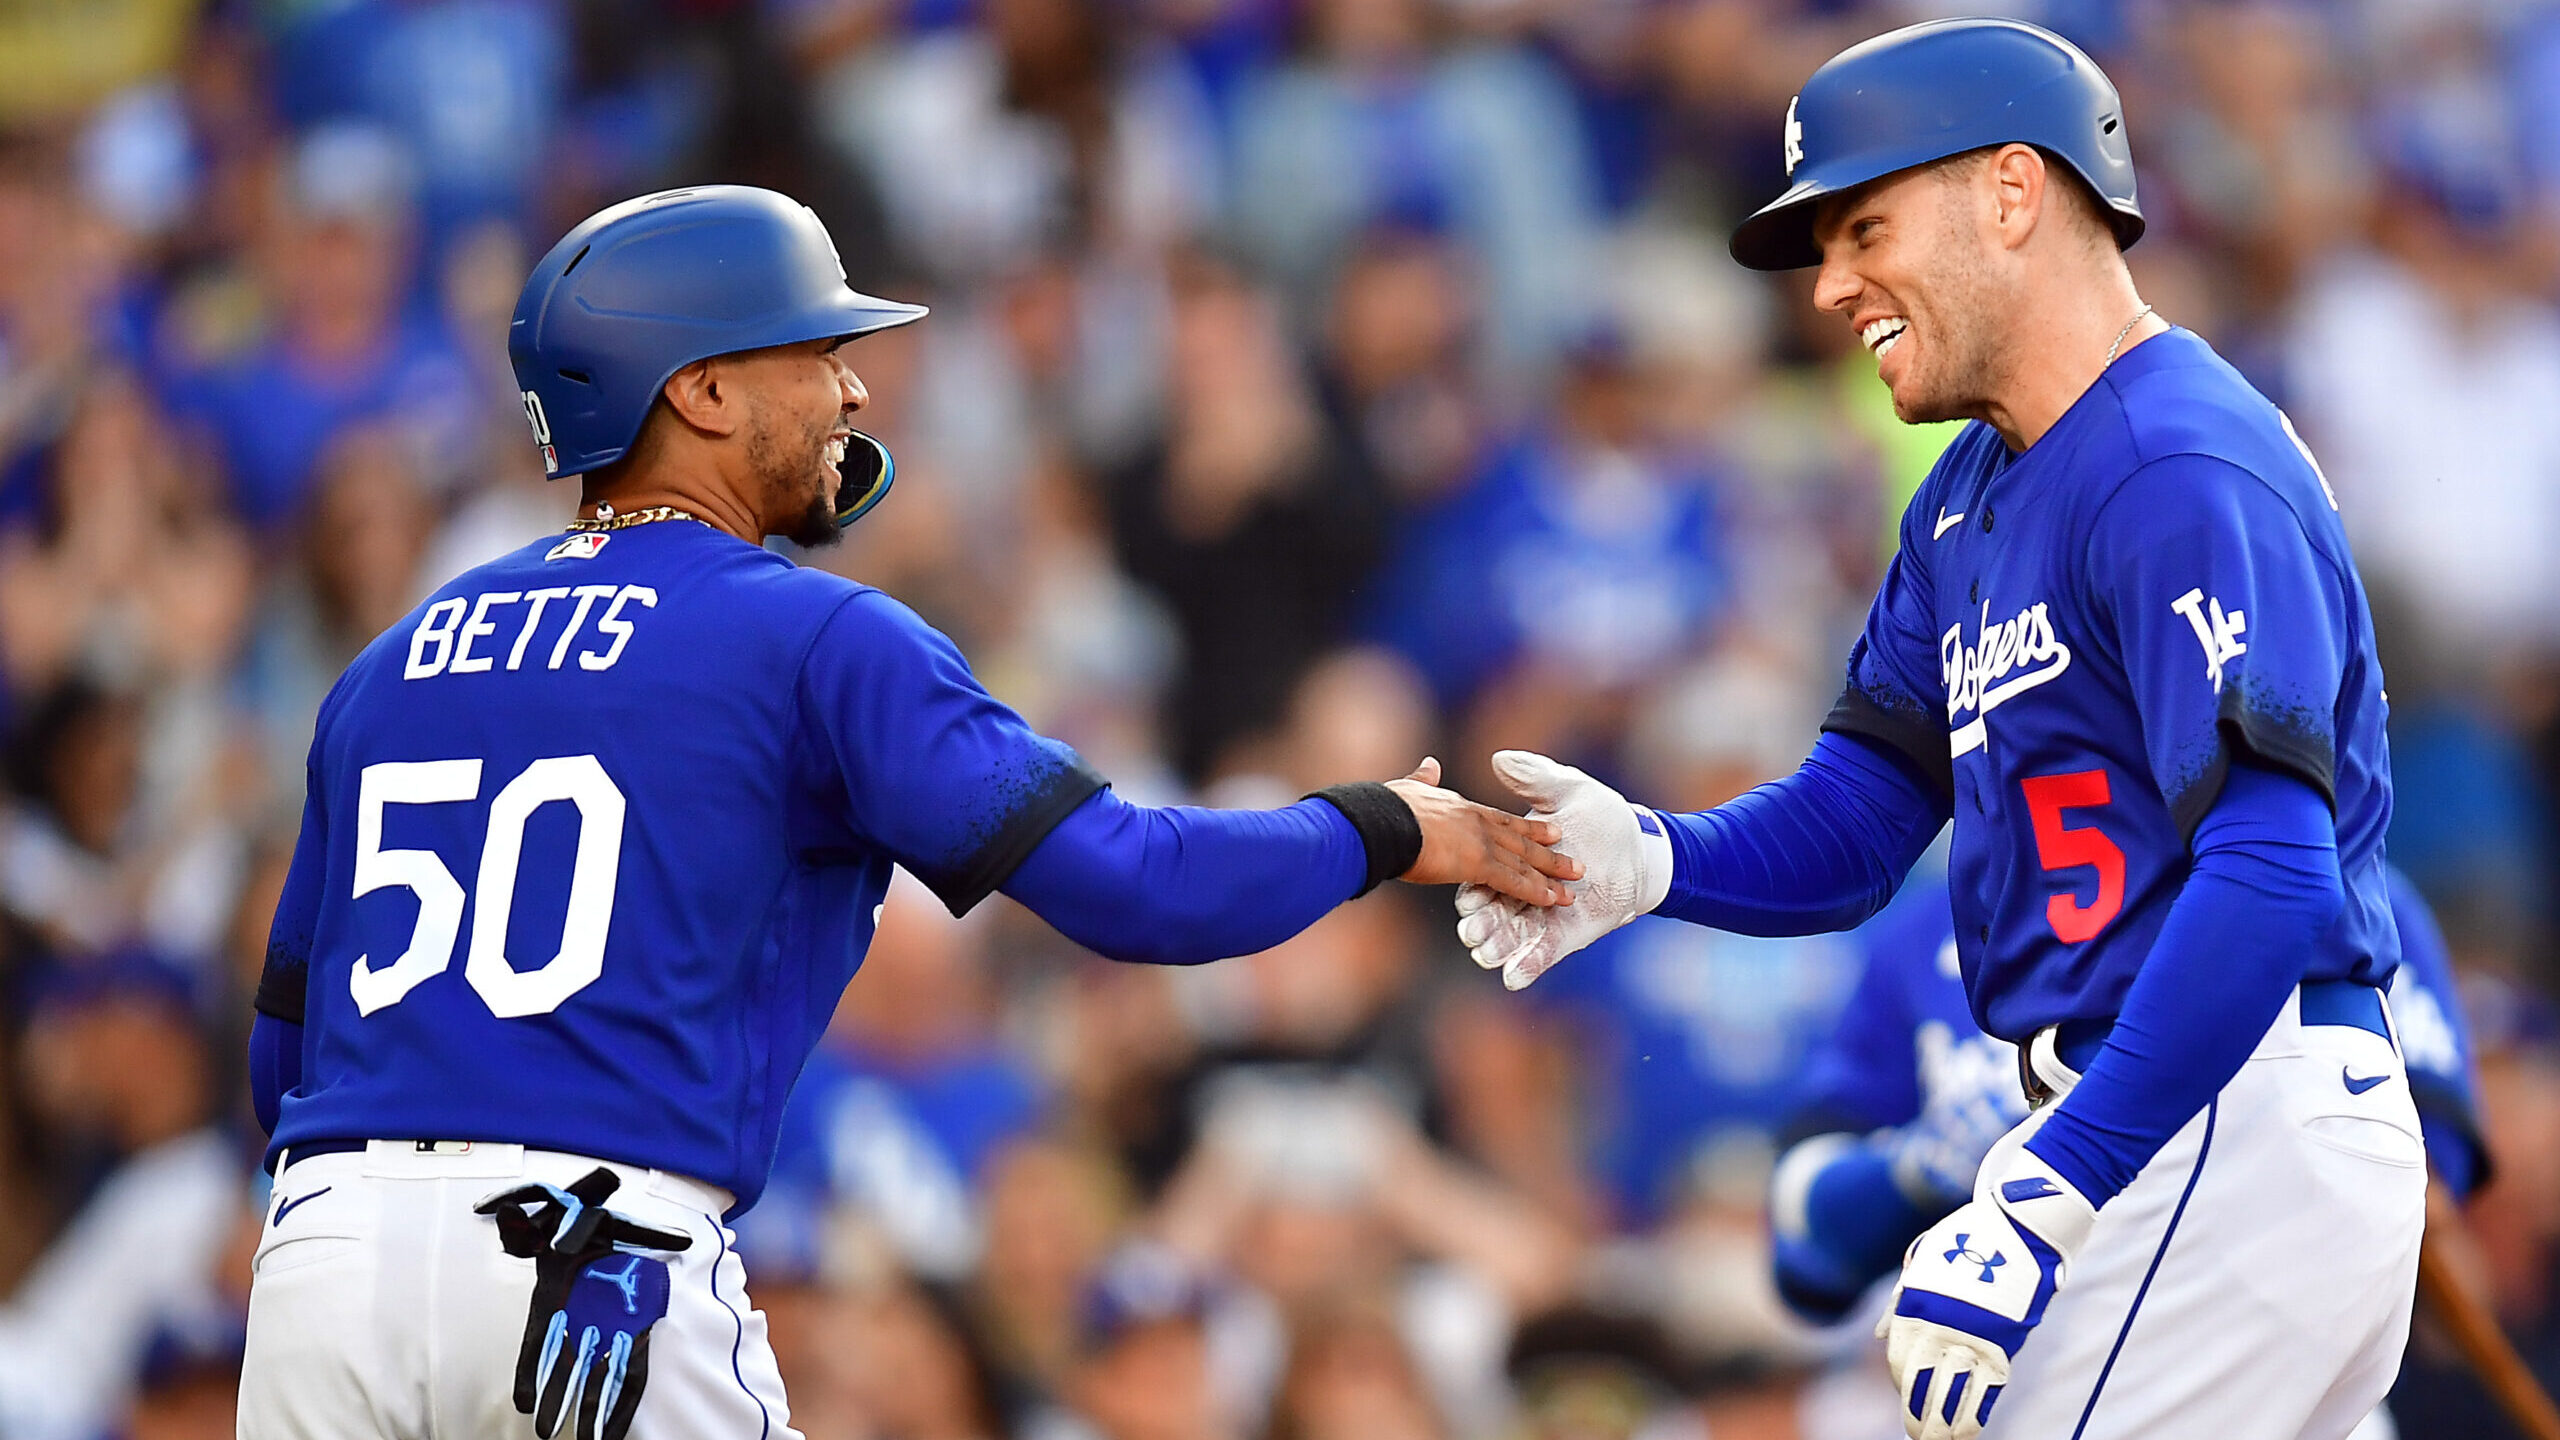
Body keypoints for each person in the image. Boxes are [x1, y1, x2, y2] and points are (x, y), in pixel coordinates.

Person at [236, 185, 1577, 1440]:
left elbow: (278, 1055)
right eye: (812, 350)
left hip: (321, 1262)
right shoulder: (814, 636)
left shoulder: (394, 659)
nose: (853, 387)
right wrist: (1389, 828)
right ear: (699, 390)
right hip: (589, 1252)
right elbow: (1139, 884)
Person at [1457, 19, 2415, 1440]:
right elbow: (1862, 810)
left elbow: (2275, 877)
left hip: (2213, 1113)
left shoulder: (2171, 458)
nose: (1833, 284)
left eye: (1866, 226)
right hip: (2176, 1130)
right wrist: (1649, 858)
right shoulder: (1971, 490)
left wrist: (2046, 1189)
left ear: (2014, 194)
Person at [1765, 864, 2489, 1440]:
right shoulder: (1925, 931)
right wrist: (1926, 1168)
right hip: (2010, 1380)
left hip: (2270, 1366)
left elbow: (2430, 1202)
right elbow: (1807, 1256)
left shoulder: (2320, 880)